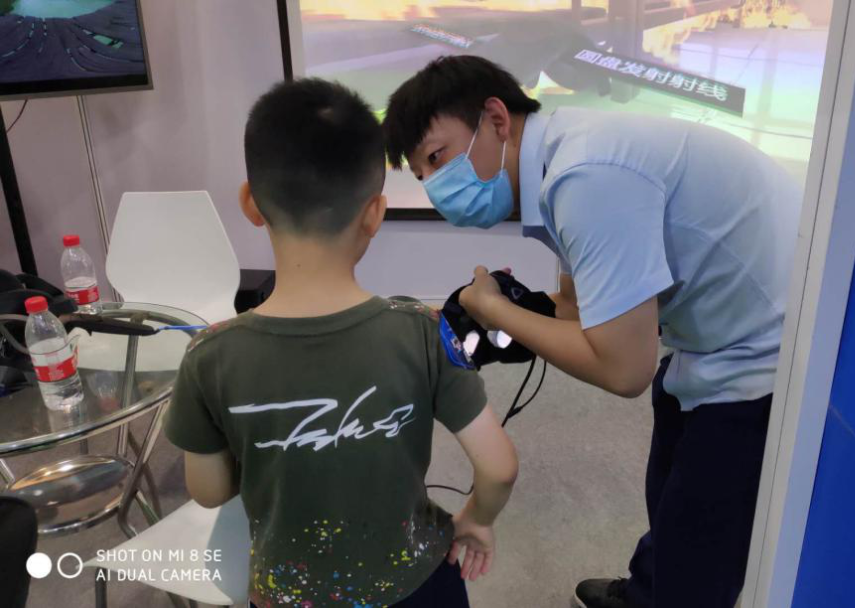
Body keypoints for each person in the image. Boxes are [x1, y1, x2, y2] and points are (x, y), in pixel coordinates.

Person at [383, 56, 800, 608]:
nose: (437, 187)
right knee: (669, 478)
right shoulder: (561, 155)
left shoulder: (587, 178)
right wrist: (503, 311)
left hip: (767, 353)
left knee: (701, 535)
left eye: (438, 158)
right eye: (422, 176)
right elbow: (576, 308)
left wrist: (497, 310)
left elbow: (625, 370)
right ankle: (647, 591)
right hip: (709, 329)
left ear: (497, 118)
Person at [164, 78, 519, 608]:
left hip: (288, 594)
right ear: (375, 214)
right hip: (418, 585)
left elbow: (210, 491)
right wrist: (477, 520)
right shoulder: (422, 330)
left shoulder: (208, 356)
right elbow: (499, 466)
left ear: (251, 204)